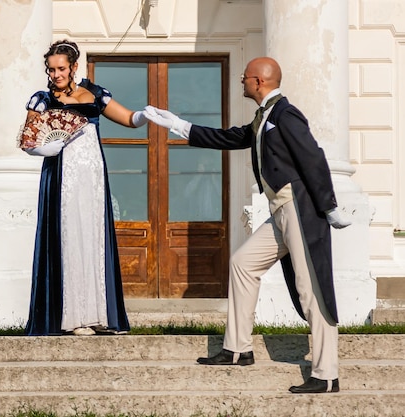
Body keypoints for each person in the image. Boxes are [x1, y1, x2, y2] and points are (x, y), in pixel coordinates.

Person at [144, 57, 351, 394]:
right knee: (242, 263)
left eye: (245, 77)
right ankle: (238, 349)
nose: (240, 80)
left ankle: (326, 375)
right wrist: (180, 126)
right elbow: (231, 138)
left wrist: (329, 206)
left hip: (297, 208)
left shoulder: (285, 114)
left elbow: (313, 157)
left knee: (311, 289)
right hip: (279, 211)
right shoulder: (262, 117)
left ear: (258, 82)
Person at [22, 40, 148, 336]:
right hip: (61, 177)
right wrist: (44, 149)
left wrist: (146, 116)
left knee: (93, 238)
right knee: (68, 238)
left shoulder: (95, 94)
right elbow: (29, 138)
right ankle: (71, 318)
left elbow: (129, 119)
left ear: (74, 67)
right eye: (51, 69)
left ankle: (98, 316)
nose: (56, 74)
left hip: (91, 176)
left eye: (61, 68)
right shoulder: (43, 99)